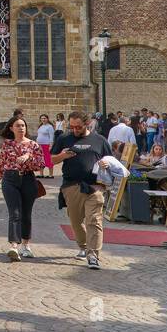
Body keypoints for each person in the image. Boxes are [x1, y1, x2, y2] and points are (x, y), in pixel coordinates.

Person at [51, 111, 113, 270]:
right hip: (71, 186)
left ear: (87, 124)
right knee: (76, 221)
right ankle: (83, 246)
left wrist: (106, 165)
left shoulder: (100, 140)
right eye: (72, 127)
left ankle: (93, 255)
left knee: (94, 220)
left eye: (78, 127)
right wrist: (63, 156)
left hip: (95, 187)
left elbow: (111, 161)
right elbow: (50, 160)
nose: (75, 130)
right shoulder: (64, 138)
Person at [0, 116, 45, 261]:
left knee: (26, 214)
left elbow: (42, 164)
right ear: (11, 128)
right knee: (15, 213)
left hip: (28, 179)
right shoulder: (7, 144)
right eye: (18, 125)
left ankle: (26, 245)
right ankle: (14, 246)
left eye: (23, 125)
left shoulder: (34, 145)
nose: (21, 128)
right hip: (10, 180)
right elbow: (1, 161)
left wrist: (29, 157)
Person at [35, 114, 55, 178]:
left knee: (48, 159)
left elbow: (51, 137)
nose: (43, 119)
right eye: (42, 118)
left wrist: (51, 146)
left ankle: (50, 175)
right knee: (41, 160)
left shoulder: (49, 127)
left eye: (44, 118)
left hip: (46, 145)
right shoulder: (40, 126)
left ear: (47, 119)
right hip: (39, 145)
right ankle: (41, 174)